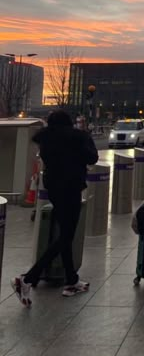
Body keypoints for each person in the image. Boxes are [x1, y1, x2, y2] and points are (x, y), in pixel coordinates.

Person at [11, 110, 98, 307]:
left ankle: (71, 280)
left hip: (54, 189)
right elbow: (92, 157)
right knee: (67, 235)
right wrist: (85, 137)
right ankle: (27, 278)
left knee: (65, 234)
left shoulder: (46, 139)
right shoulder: (78, 137)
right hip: (72, 188)